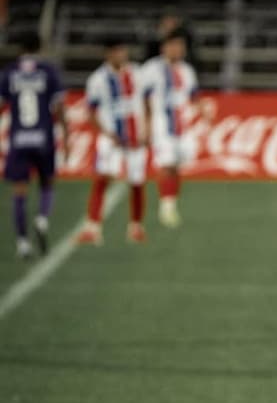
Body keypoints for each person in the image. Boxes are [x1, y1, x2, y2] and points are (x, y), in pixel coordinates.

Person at [0, 31, 67, 259]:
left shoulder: (9, 73)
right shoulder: (48, 71)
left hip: (19, 138)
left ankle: (22, 243)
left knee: (19, 191)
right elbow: (58, 107)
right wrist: (65, 134)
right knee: (47, 183)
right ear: (40, 47)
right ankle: (42, 218)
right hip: (43, 138)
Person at [77, 37, 149, 246]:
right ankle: (93, 227)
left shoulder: (137, 73)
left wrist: (148, 129)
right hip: (111, 139)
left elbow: (147, 102)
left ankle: (136, 227)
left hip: (136, 137)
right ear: (108, 54)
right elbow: (90, 112)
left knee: (137, 182)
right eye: (116, 51)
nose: (121, 55)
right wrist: (107, 133)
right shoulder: (98, 79)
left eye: (123, 50)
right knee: (103, 178)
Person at [141, 28, 200, 228]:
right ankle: (166, 207)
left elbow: (193, 96)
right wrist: (147, 123)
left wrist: (203, 109)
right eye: (174, 45)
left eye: (181, 46)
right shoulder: (151, 69)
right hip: (161, 125)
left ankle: (170, 203)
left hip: (183, 126)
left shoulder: (186, 70)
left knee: (176, 166)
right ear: (164, 47)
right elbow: (142, 98)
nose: (178, 49)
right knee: (165, 164)